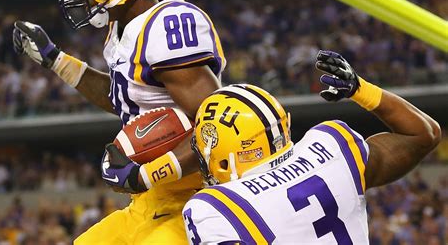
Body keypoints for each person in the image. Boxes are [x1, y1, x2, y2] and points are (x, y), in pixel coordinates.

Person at [12, 0, 225, 243]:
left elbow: (218, 125)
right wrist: (56, 60)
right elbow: (124, 98)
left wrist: (148, 174)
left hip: (193, 196)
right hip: (148, 201)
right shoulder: (121, 24)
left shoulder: (167, 25)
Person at [182, 50, 441, 244]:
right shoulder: (330, 146)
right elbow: (423, 134)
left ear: (227, 158)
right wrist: (361, 90)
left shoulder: (213, 206)